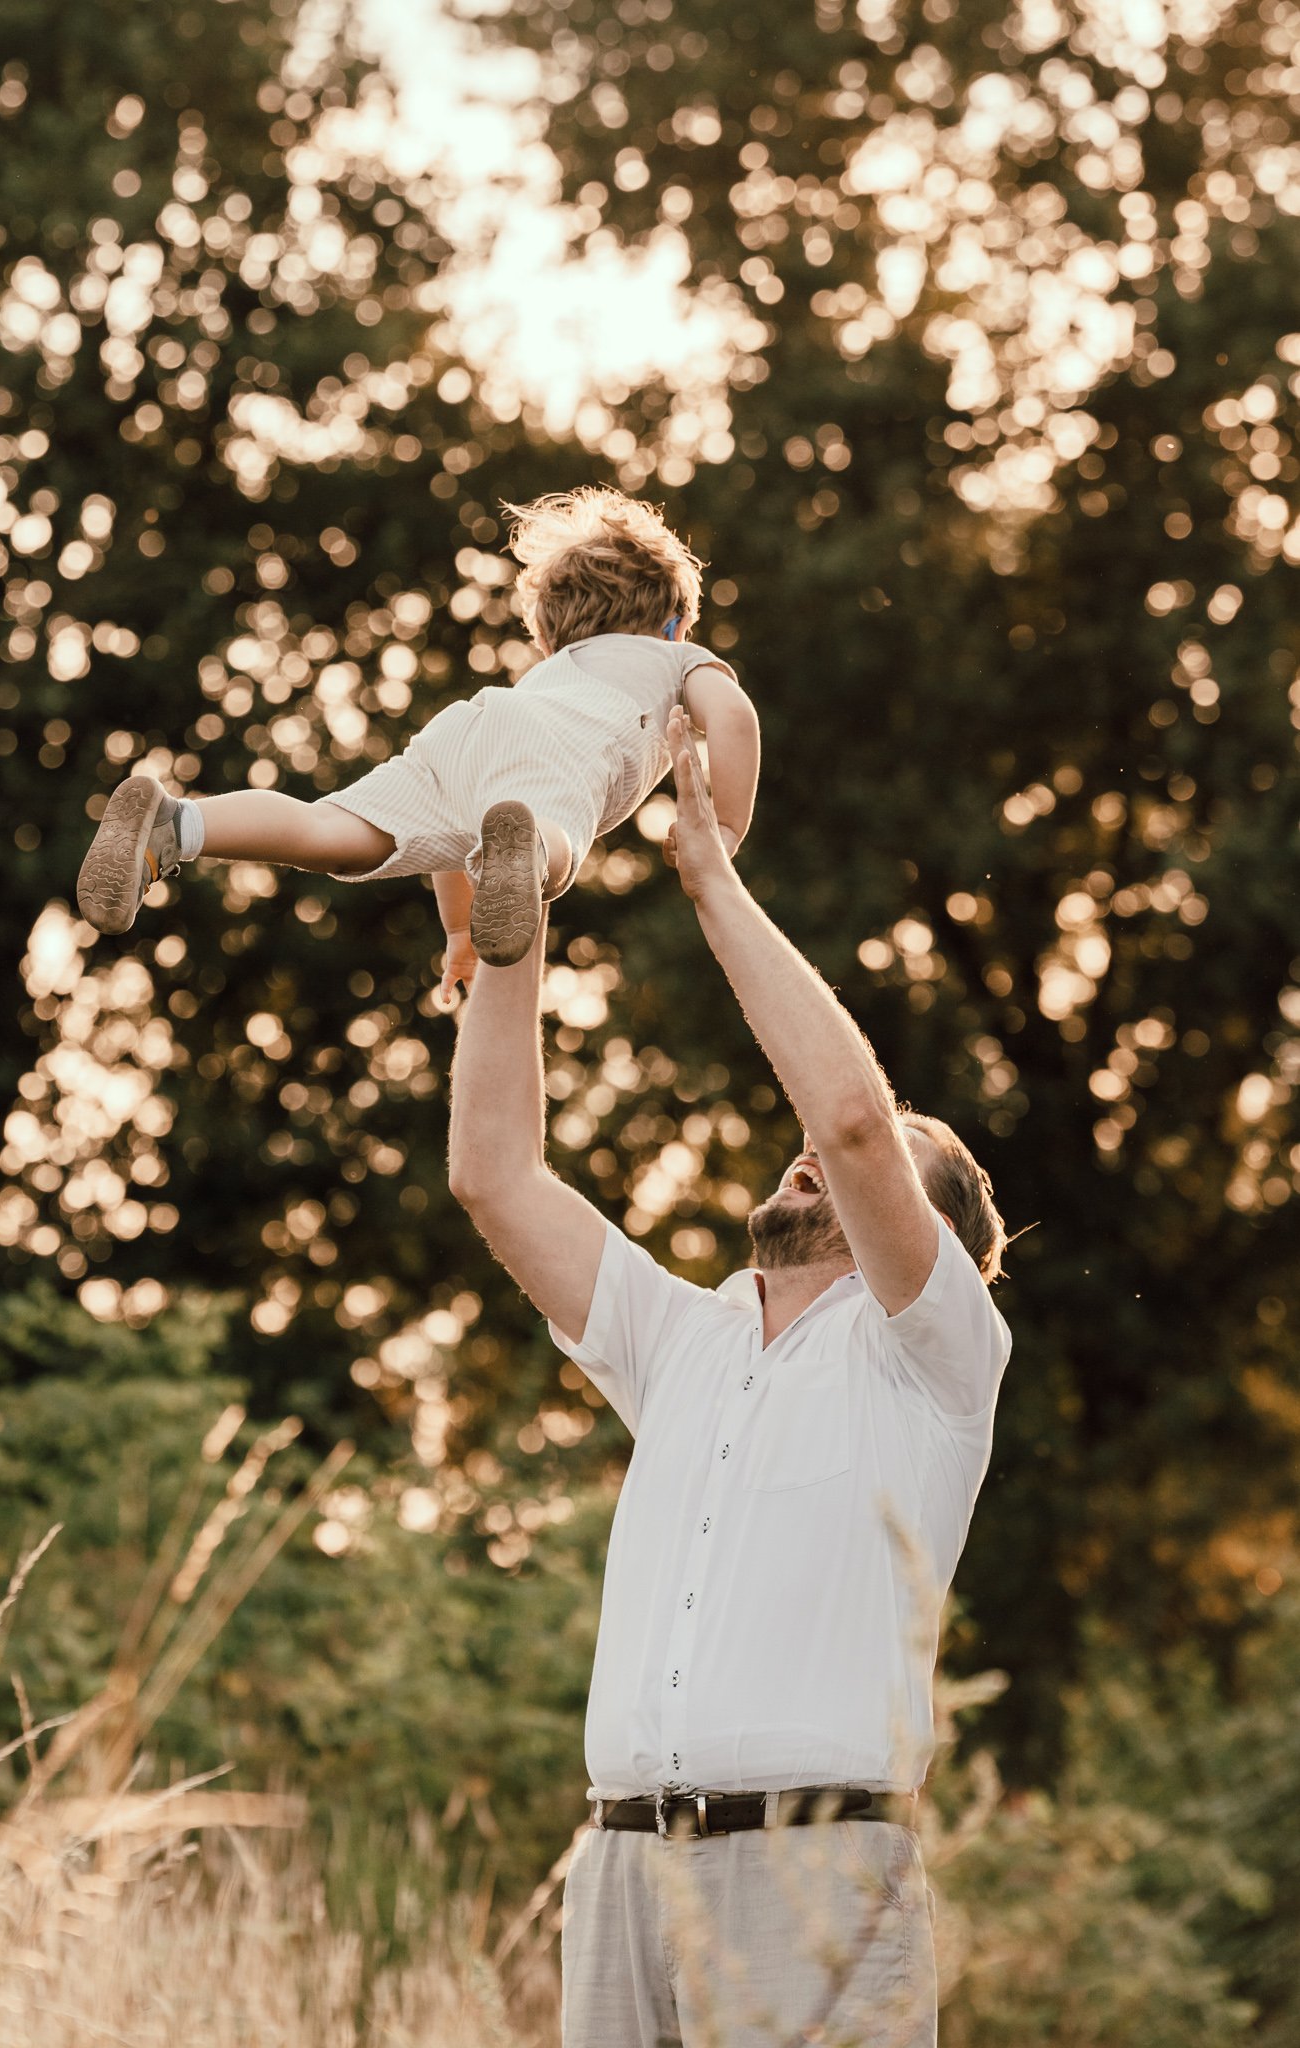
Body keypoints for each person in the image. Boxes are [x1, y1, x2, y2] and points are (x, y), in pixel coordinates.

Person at [447, 708, 1012, 2047]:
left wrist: (711, 881)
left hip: (811, 1879)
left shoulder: (935, 1358)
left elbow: (858, 1122)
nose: (804, 1155)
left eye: (857, 1164)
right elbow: (495, 1174)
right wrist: (500, 949)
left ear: (929, 1239)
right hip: (620, 1871)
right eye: (799, 1149)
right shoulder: (682, 1339)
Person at [75, 489, 760, 996]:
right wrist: (723, 827)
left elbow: (463, 833)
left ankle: (177, 823)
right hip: (561, 746)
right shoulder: (670, 658)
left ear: (550, 637)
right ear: (673, 624)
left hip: (470, 725)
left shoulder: (546, 676)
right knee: (551, 836)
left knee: (329, 828)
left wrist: (460, 935)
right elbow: (733, 719)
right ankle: (525, 857)